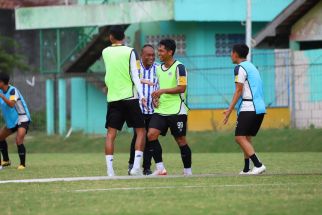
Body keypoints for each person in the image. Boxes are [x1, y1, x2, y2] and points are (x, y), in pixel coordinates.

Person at [102, 25, 147, 176]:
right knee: (141, 130)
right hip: (130, 97)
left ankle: (110, 170)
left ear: (111, 37)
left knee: (110, 134)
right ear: (124, 37)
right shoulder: (130, 51)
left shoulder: (105, 52)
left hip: (113, 98)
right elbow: (135, 74)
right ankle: (135, 168)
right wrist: (142, 95)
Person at [148, 39, 192, 176]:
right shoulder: (158, 69)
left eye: (161, 51)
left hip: (177, 110)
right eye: (158, 50)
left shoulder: (180, 67)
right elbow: (159, 88)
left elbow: (182, 88)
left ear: (170, 52)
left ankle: (187, 171)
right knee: (151, 135)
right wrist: (156, 98)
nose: (158, 53)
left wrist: (163, 91)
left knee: (180, 140)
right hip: (161, 110)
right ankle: (161, 168)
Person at [223, 44, 266, 175]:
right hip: (259, 108)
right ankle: (247, 168)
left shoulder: (239, 68)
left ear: (235, 54)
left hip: (249, 107)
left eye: (231, 52)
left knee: (239, 137)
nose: (230, 55)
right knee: (246, 138)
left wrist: (229, 111)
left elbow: (238, 90)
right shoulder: (252, 66)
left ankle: (258, 164)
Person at [128, 44, 165, 176]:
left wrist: (157, 98)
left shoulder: (158, 69)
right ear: (142, 55)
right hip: (138, 109)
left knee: (150, 139)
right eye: (148, 55)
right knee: (137, 136)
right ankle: (132, 164)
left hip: (153, 110)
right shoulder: (136, 69)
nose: (151, 57)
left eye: (153, 55)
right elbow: (133, 81)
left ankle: (147, 168)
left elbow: (161, 86)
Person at [0, 72, 31, 170]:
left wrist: (1, 96)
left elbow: (11, 104)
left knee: (18, 140)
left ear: (2, 83)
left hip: (22, 118)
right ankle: (6, 161)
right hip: (12, 120)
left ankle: (22, 164)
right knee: (0, 138)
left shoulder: (13, 91)